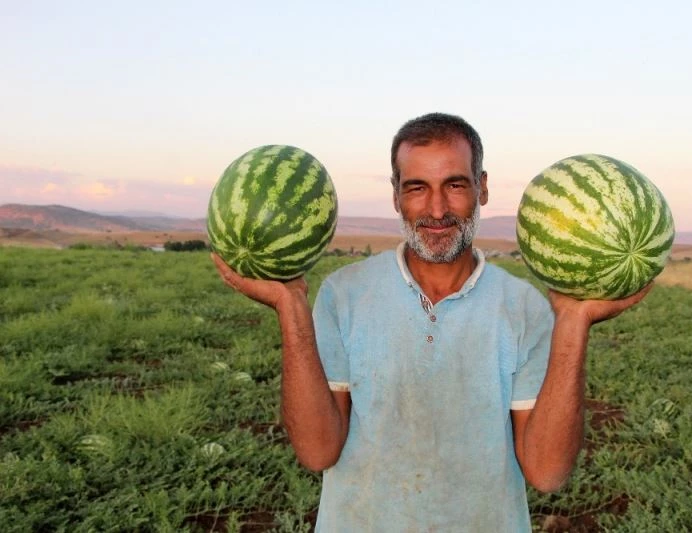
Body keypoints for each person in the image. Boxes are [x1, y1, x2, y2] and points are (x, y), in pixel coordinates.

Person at [212, 112, 650, 532]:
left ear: (481, 188)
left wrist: (573, 323)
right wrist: (290, 307)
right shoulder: (343, 294)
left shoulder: (524, 308)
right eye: (417, 188)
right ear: (396, 195)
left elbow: (547, 473)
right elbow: (316, 451)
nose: (437, 210)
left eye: (454, 185)